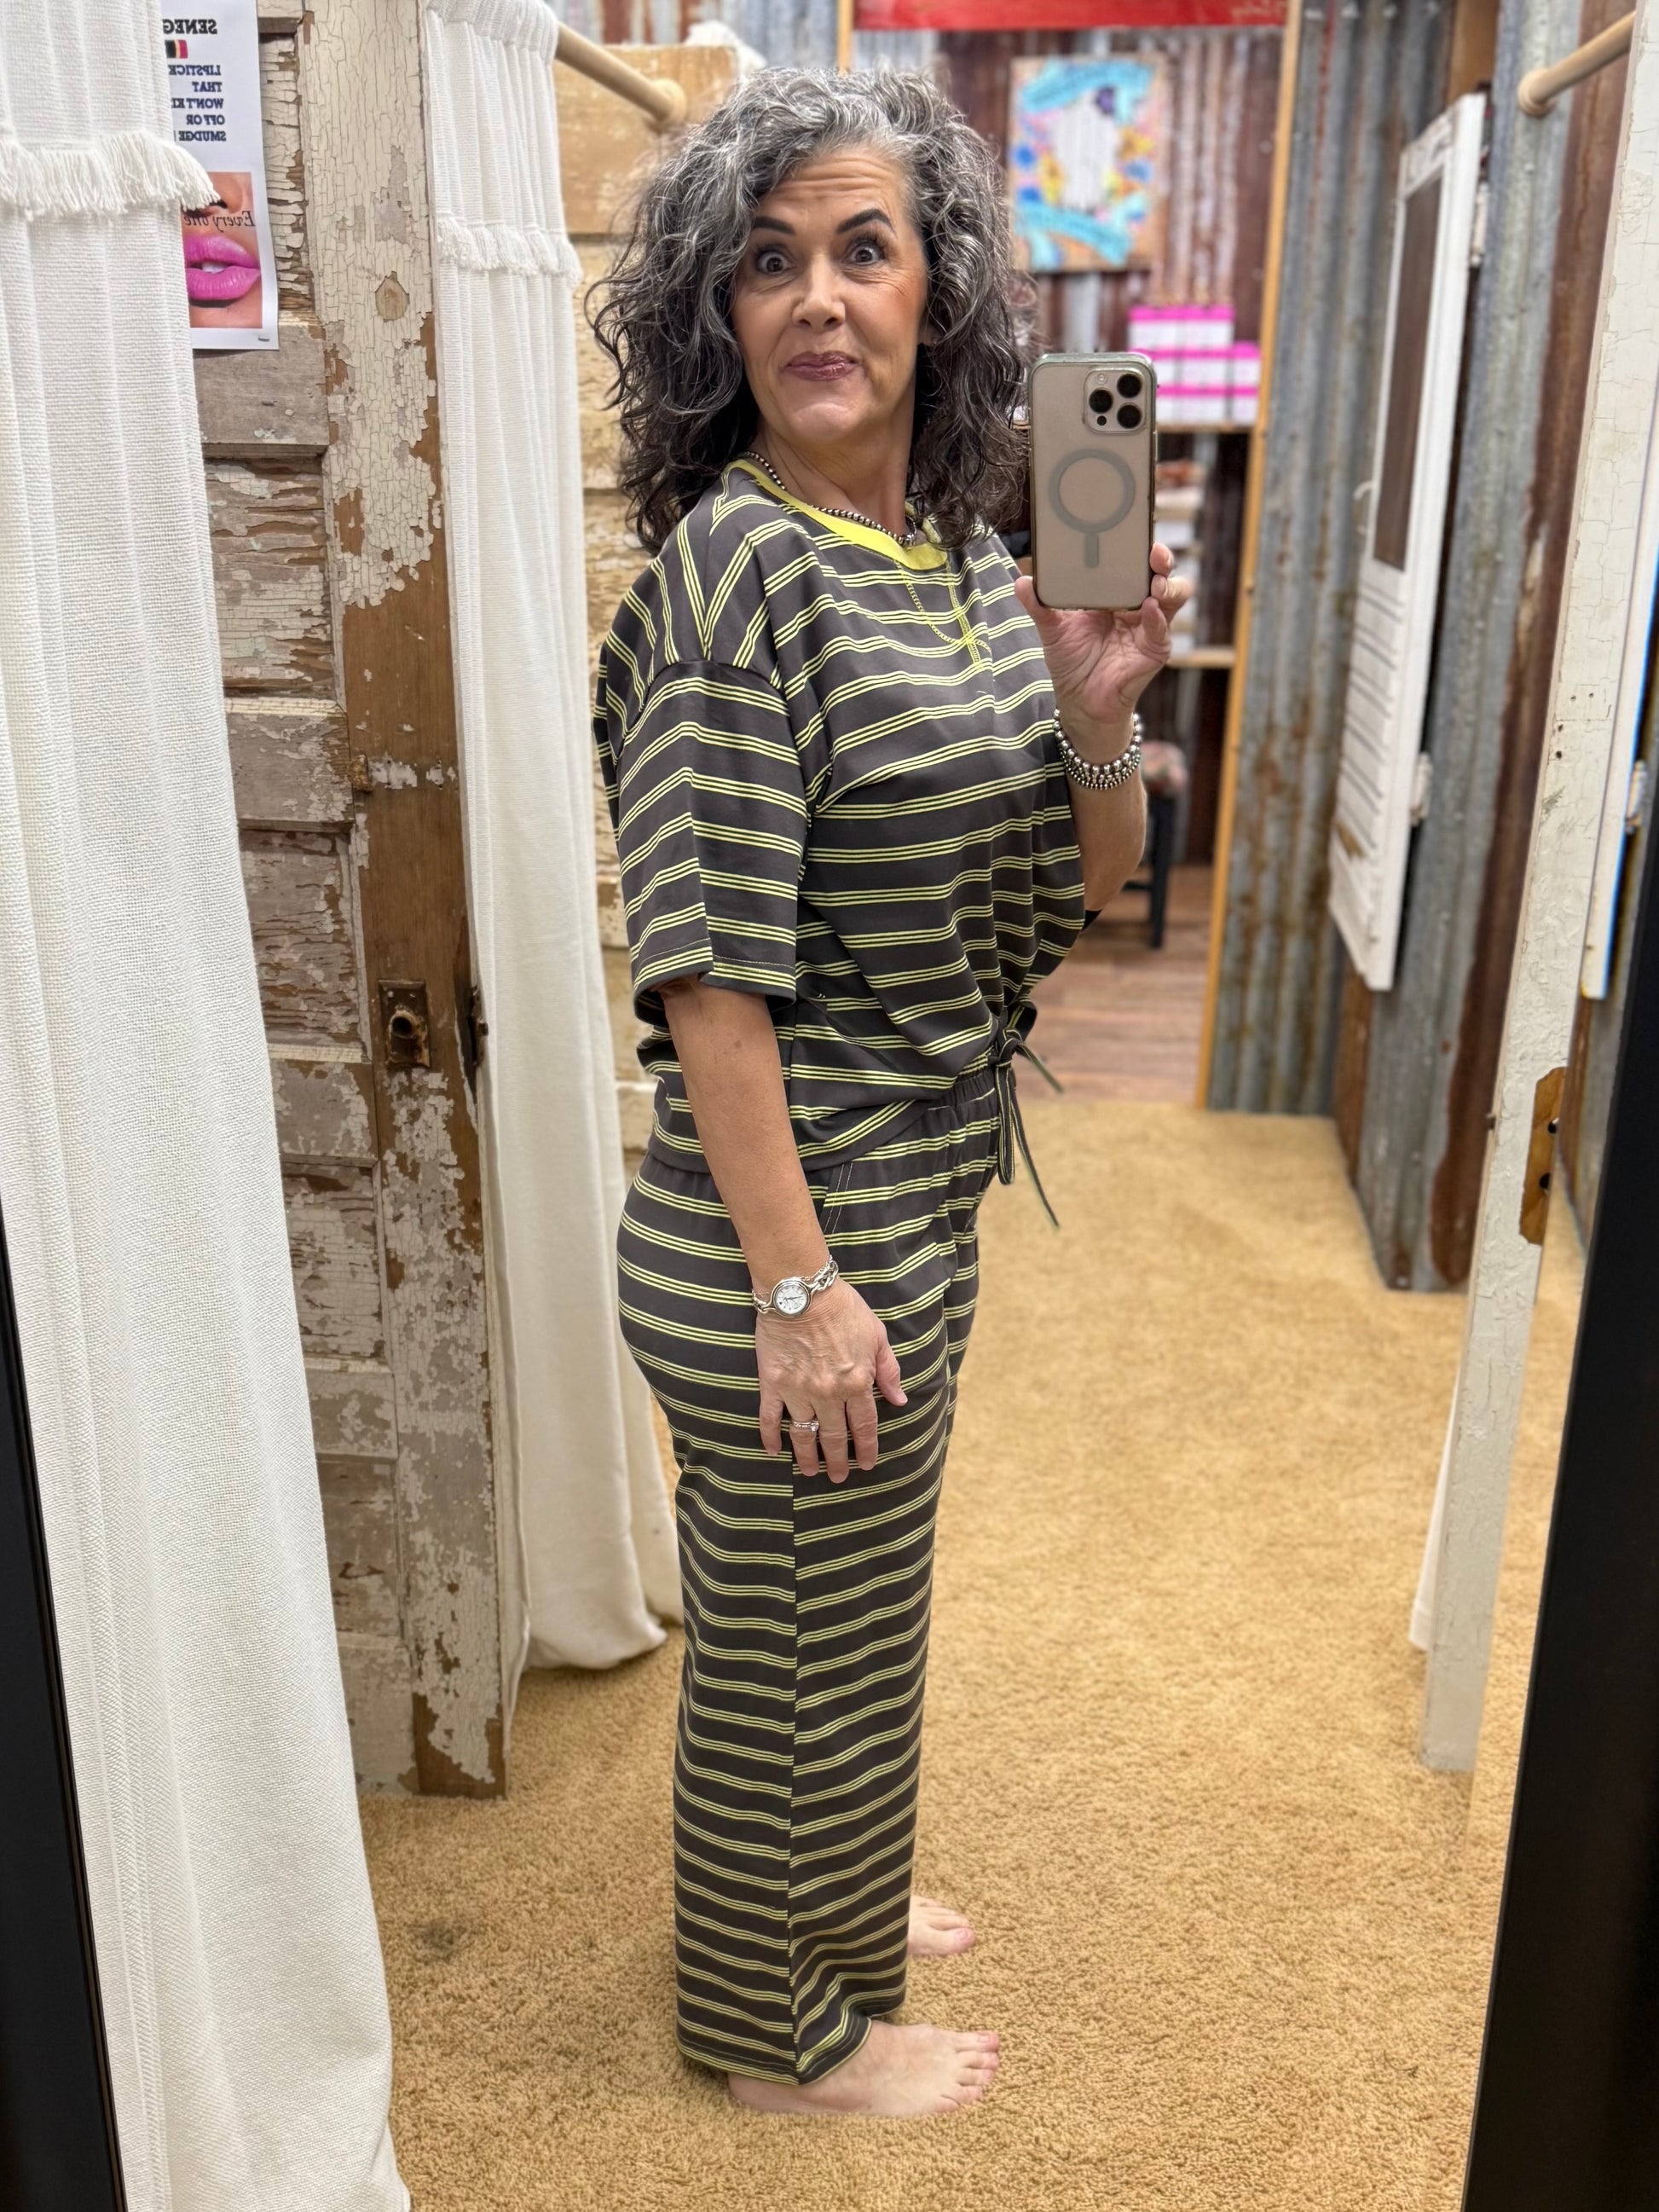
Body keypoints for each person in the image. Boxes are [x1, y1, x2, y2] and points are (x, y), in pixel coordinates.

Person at [592, 67, 1188, 2120]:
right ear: (717, 317)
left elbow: (1071, 897)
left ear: (941, 294)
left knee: (855, 1616)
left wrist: (1096, 716)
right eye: (768, 264)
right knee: (785, 1651)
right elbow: (708, 979)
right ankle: (772, 2036)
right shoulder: (732, 578)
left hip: (910, 1198)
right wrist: (794, 1289)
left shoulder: (944, 555)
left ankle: (833, 1900)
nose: (819, 300)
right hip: (783, 1230)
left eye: (865, 249)